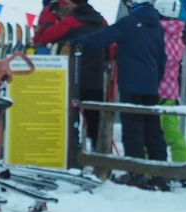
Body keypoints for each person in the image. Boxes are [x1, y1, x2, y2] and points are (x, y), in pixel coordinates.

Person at [72, 0, 168, 190]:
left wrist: (75, 43)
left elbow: (101, 38)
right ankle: (160, 175)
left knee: (133, 131)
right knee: (153, 130)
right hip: (150, 87)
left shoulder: (130, 22)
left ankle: (135, 174)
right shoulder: (156, 25)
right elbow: (161, 58)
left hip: (132, 85)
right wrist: (154, 80)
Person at [32, 0, 107, 148]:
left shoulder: (71, 22)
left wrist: (51, 17)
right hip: (95, 80)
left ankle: (71, 154)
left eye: (62, 6)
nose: (61, 9)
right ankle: (99, 160)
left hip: (71, 80)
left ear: (71, 5)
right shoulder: (101, 21)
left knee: (68, 122)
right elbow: (111, 48)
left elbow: (44, 39)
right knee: (95, 123)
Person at [155, 0, 186, 164]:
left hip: (158, 90)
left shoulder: (158, 35)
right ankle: (183, 164)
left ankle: (151, 167)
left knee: (156, 132)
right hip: (171, 91)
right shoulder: (178, 34)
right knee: (171, 130)